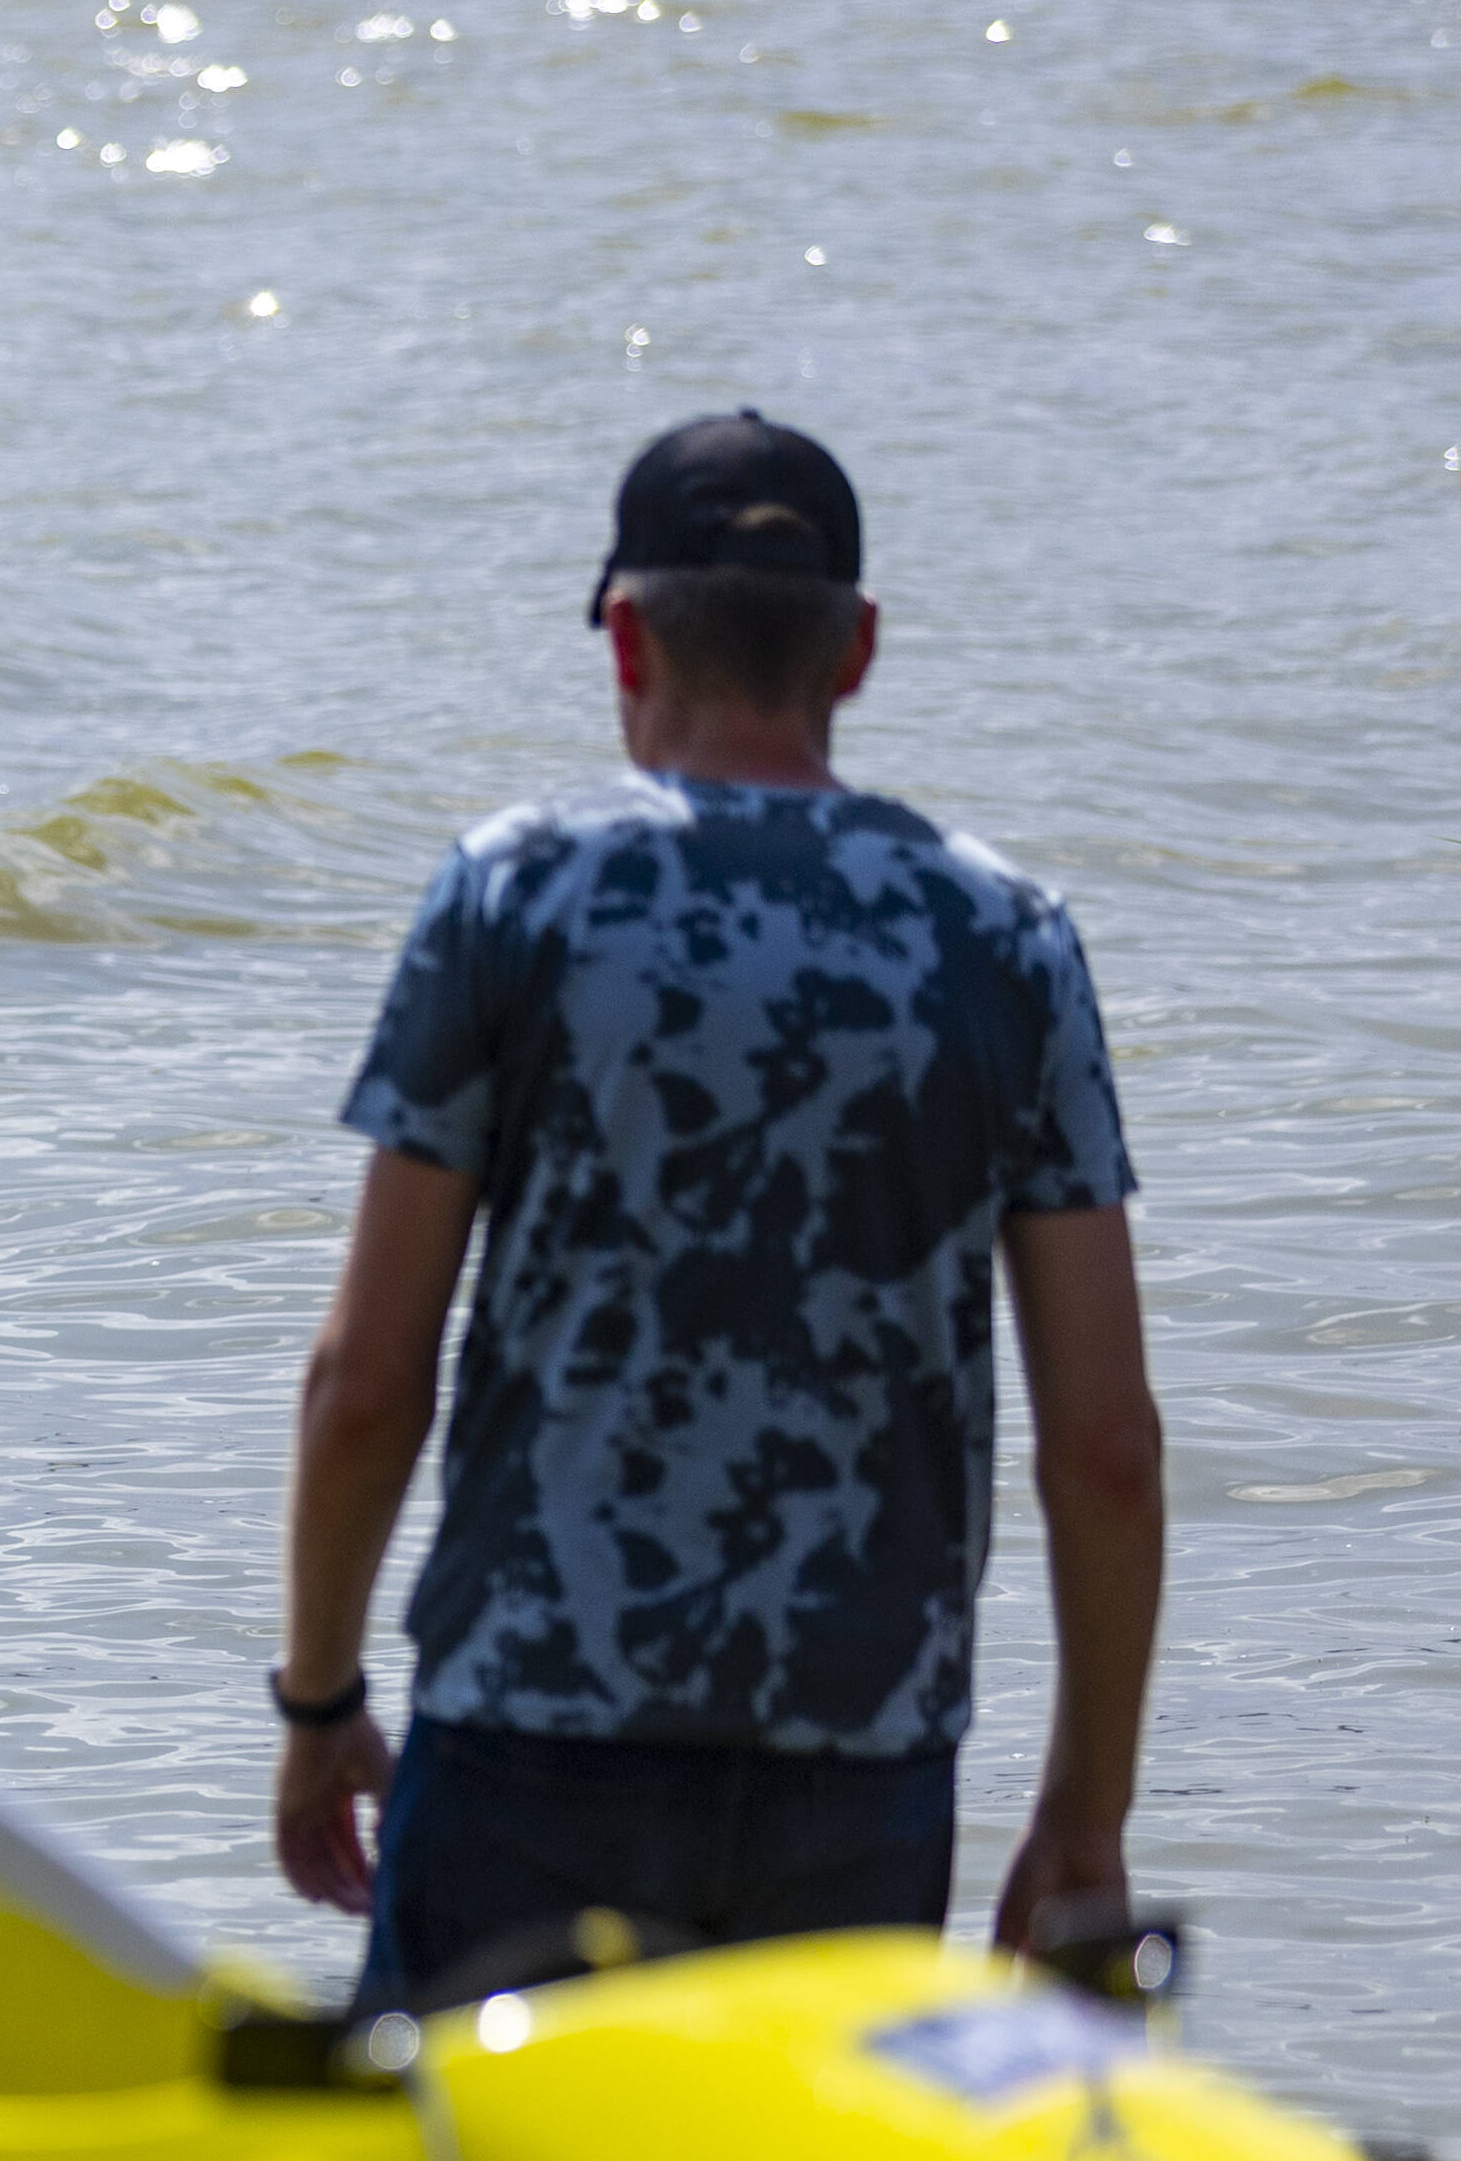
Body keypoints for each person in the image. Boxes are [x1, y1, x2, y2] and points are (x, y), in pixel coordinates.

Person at [269, 414, 1162, 2006]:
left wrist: (321, 1699)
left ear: (626, 639)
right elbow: (1105, 1448)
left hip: (532, 1736)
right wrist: (1085, 1818)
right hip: (861, 1763)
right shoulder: (1007, 936)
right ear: (857, 651)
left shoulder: (514, 894)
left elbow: (364, 1384)